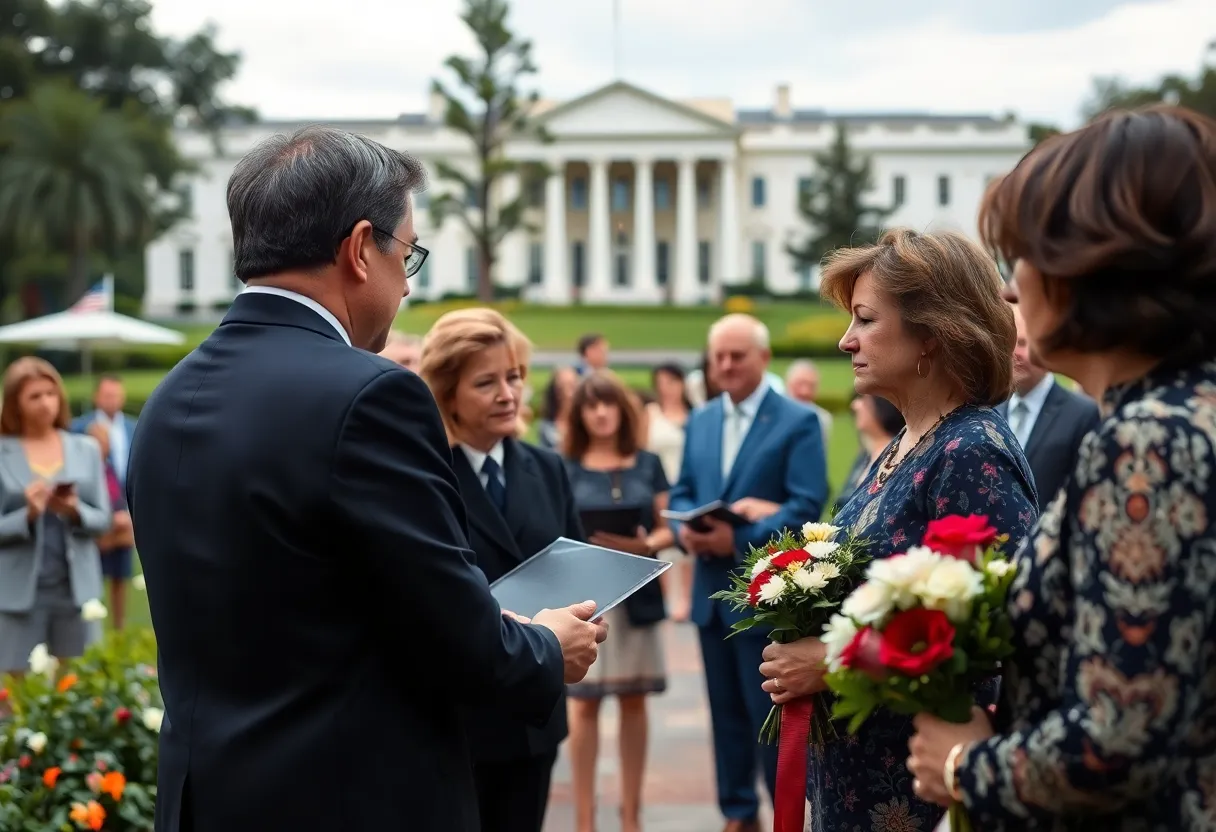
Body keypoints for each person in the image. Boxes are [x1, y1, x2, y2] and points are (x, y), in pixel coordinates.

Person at [125, 125, 607, 832]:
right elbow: (457, 637)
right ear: (358, 249)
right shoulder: (371, 394)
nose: (408, 285)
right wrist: (544, 646)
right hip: (346, 797)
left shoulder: (170, 396)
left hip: (208, 799)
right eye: (406, 254)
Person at [907, 106, 1216, 830]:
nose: (1010, 288)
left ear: (1086, 268)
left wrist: (961, 767)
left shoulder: (1149, 441)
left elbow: (1119, 740)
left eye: (1022, 256)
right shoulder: (1189, 408)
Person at [759, 228, 1038, 831]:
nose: (845, 339)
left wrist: (829, 661)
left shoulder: (969, 453)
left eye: (864, 319)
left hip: (918, 795)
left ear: (932, 335)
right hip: (858, 784)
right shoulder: (904, 444)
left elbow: (996, 646)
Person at [418, 307, 581, 832]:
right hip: (459, 716)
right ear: (447, 395)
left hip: (535, 710)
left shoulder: (547, 467)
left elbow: (575, 564)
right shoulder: (424, 477)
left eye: (513, 377)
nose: (508, 394)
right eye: (486, 382)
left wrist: (586, 616)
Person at [668, 313, 829, 832]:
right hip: (711, 597)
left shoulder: (797, 420)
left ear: (763, 358)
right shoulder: (701, 419)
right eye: (718, 356)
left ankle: (783, 815)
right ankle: (737, 814)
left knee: (770, 721)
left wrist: (737, 538)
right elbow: (683, 494)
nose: (727, 365)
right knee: (724, 717)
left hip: (766, 597)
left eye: (738, 355)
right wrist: (686, 531)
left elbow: (807, 504)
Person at [562, 371, 676, 832]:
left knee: (634, 701)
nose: (601, 412)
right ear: (580, 414)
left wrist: (647, 544)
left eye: (608, 403)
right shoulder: (563, 465)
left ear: (622, 409)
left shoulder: (647, 463)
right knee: (584, 704)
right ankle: (584, 819)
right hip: (585, 599)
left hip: (638, 594)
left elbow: (670, 527)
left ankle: (631, 815)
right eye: (591, 405)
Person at [0, 357, 111, 674]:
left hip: (75, 591)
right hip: (17, 593)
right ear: (15, 403)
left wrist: (74, 510)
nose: (45, 403)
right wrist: (28, 515)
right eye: (34, 396)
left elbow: (102, 519)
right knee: (13, 697)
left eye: (50, 394)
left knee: (80, 688)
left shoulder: (85, 449)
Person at [996, 303, 1100, 510]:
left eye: (1024, 343)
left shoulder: (1082, 414)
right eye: (1010, 343)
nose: (1015, 353)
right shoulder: (990, 410)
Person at [644, 363, 692, 622]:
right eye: (661, 382)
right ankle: (663, 596)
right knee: (662, 538)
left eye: (671, 381)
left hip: (685, 484)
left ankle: (684, 597)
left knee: (686, 541)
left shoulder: (693, 413)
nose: (667, 388)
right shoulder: (650, 414)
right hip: (658, 485)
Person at [835, 393, 905, 507]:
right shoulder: (865, 455)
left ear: (883, 407)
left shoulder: (897, 458)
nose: (855, 405)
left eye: (863, 400)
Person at [784, 359, 832, 454]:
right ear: (787, 383)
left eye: (811, 386)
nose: (805, 391)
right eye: (800, 384)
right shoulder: (771, 414)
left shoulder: (822, 418)